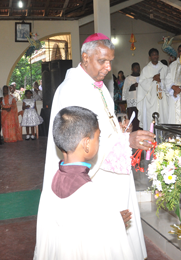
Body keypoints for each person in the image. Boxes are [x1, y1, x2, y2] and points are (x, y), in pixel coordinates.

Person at [34, 33, 155, 260]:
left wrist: (118, 129)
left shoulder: (96, 85)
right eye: (102, 61)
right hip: (91, 176)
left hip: (109, 165)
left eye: (110, 61)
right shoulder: (73, 89)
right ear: (85, 57)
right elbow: (78, 139)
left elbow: (100, 124)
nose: (108, 67)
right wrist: (126, 141)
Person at [38, 106, 133, 259]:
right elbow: (98, 247)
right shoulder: (91, 194)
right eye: (98, 138)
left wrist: (112, 219)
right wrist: (116, 224)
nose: (99, 142)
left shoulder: (52, 181)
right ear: (86, 144)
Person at [137, 48, 170, 130]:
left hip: (163, 100)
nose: (155, 56)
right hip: (150, 100)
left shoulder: (165, 68)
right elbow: (141, 83)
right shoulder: (145, 69)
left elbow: (170, 82)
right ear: (150, 57)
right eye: (153, 55)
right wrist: (152, 78)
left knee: (163, 116)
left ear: (158, 55)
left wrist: (161, 80)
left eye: (156, 54)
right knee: (150, 118)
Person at [166, 44, 181, 124]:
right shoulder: (172, 65)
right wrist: (173, 87)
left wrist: (180, 88)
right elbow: (167, 79)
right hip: (173, 94)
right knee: (173, 117)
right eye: (180, 51)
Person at [122, 63, 141, 131]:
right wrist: (133, 86)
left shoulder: (142, 77)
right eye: (136, 67)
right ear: (132, 69)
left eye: (138, 67)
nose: (138, 69)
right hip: (132, 102)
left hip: (140, 101)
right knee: (133, 120)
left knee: (140, 120)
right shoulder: (128, 78)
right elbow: (125, 90)